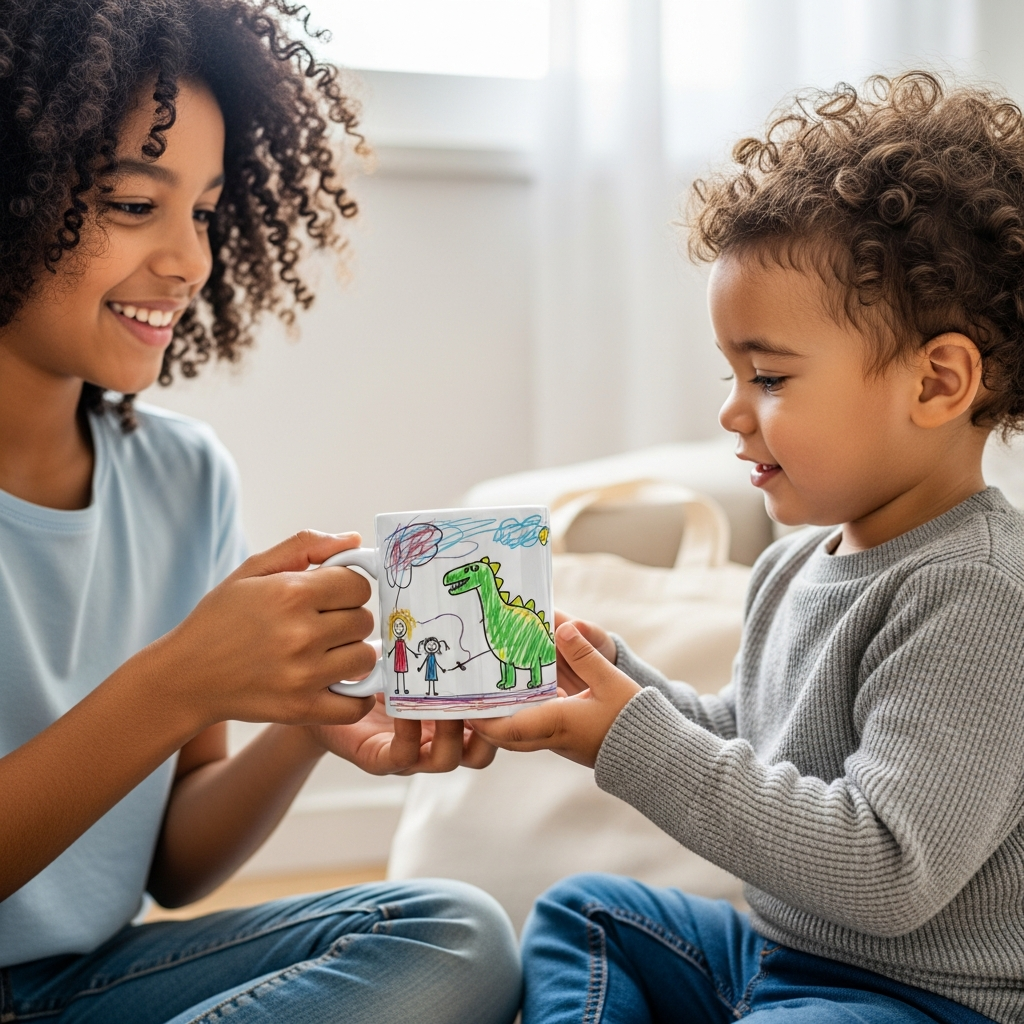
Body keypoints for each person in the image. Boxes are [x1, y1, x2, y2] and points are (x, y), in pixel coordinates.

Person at [0, 1, 520, 1022]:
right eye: (132, 205)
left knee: (451, 931)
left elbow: (177, 866)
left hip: (73, 990)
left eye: (202, 210)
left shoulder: (184, 477)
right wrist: (179, 678)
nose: (188, 261)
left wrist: (305, 717)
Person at [475, 72, 1024, 1023]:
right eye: (731, 372)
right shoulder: (794, 566)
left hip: (920, 999)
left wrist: (629, 741)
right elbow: (755, 745)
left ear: (937, 382)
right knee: (585, 914)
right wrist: (623, 685)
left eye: (768, 375)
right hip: (775, 956)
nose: (732, 411)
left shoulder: (978, 594)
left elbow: (887, 869)